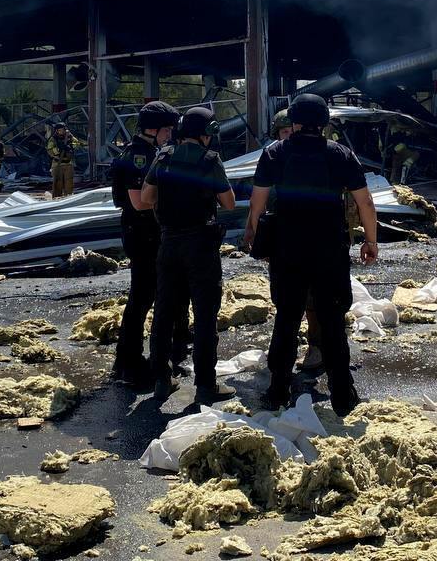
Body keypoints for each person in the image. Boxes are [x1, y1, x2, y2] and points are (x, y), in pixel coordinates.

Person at [243, 93, 379, 416]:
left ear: (294, 122)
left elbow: (257, 202)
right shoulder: (341, 155)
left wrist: (252, 234)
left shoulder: (274, 153)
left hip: (287, 251)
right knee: (332, 320)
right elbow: (366, 203)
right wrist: (371, 241)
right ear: (324, 124)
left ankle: (277, 390)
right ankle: (342, 396)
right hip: (329, 250)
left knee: (287, 317)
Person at [142, 106, 236, 405]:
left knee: (164, 311)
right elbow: (229, 202)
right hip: (201, 245)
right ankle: (206, 385)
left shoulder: (164, 156)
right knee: (205, 315)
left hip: (168, 244)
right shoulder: (210, 160)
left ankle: (161, 380)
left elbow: (146, 198)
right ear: (206, 133)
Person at [110, 100, 188, 385]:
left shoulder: (153, 151)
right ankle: (129, 362)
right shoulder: (138, 156)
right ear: (153, 129)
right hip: (141, 233)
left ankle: (148, 357)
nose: (170, 134)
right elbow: (139, 202)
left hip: (152, 233)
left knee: (157, 295)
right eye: (167, 129)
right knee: (141, 298)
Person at [266, 108, 323, 371]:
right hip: (283, 241)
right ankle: (286, 352)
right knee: (284, 301)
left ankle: (316, 347)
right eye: (285, 132)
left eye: (293, 131)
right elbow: (261, 202)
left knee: (314, 300)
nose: (290, 136)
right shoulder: (273, 158)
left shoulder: (320, 155)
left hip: (314, 239)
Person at [45, 122, 81, 198]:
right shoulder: (53, 139)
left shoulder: (69, 136)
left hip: (68, 163)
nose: (62, 131)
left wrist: (70, 146)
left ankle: (68, 197)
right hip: (58, 163)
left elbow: (77, 144)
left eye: (63, 130)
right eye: (60, 130)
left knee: (69, 183)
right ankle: (56, 198)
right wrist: (58, 150)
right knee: (57, 183)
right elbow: (49, 150)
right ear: (57, 131)